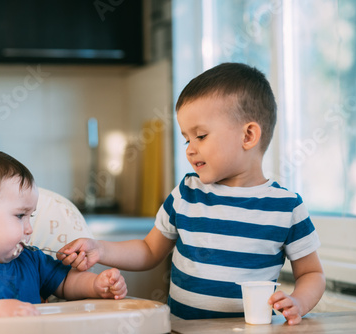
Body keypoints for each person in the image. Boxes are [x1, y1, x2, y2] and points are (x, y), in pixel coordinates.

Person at [57, 63, 325, 325]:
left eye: (201, 136)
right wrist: (100, 248)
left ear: (248, 136)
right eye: (187, 139)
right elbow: (149, 250)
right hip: (182, 329)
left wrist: (299, 303)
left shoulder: (287, 207)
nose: (190, 149)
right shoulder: (186, 193)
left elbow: (312, 273)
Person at [0, 148, 127, 319]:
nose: (29, 229)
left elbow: (66, 283)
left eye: (30, 216)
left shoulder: (31, 259)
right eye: (20, 216)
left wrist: (96, 285)